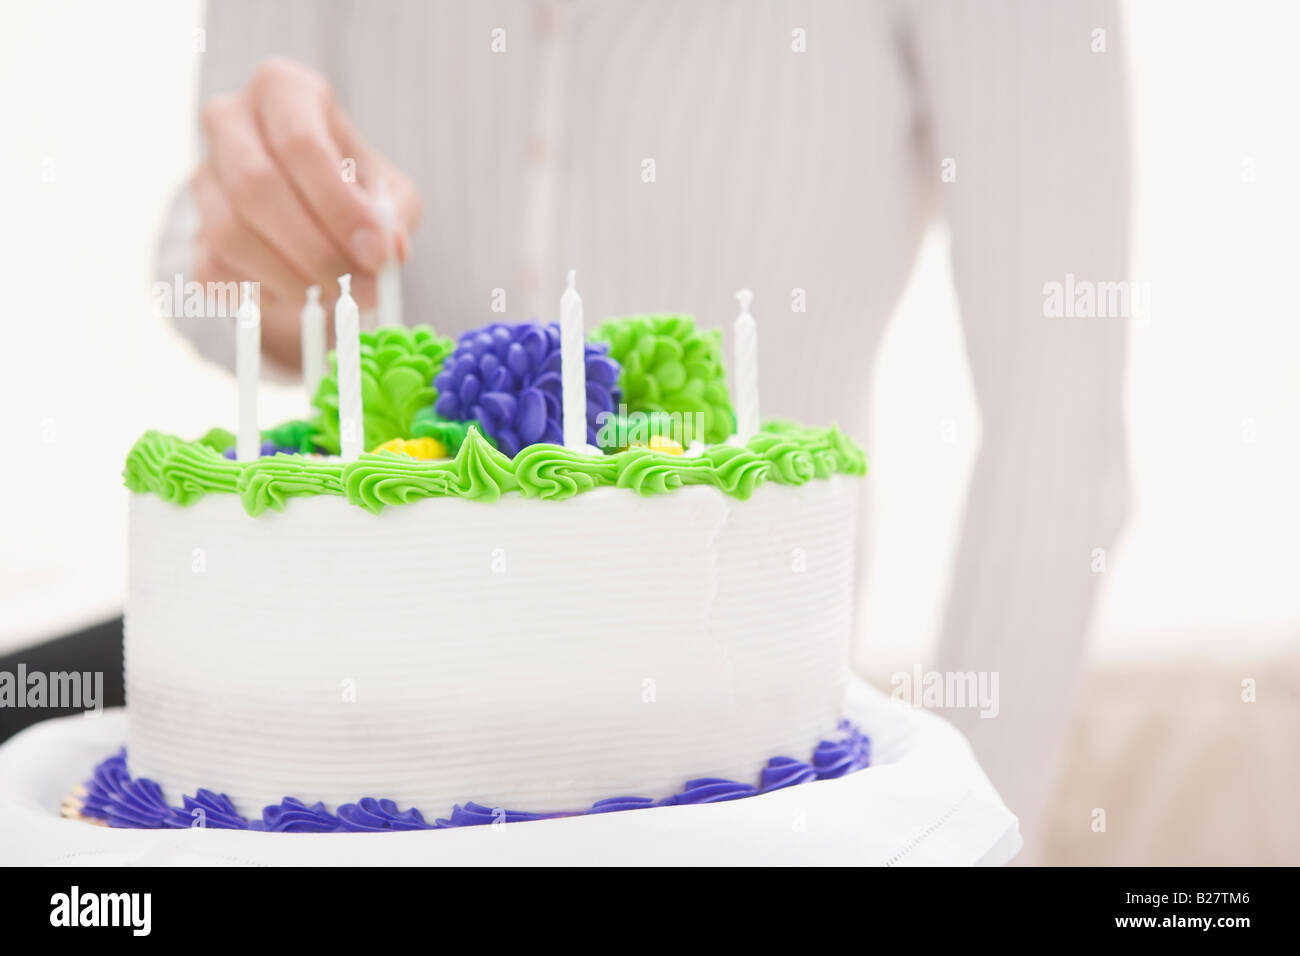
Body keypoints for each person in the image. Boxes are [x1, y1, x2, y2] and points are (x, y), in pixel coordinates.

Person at [10, 0, 1133, 856]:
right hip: (330, 694)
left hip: (716, 770)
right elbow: (204, 263)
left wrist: (956, 843)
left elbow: (1059, 429)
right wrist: (258, 251)